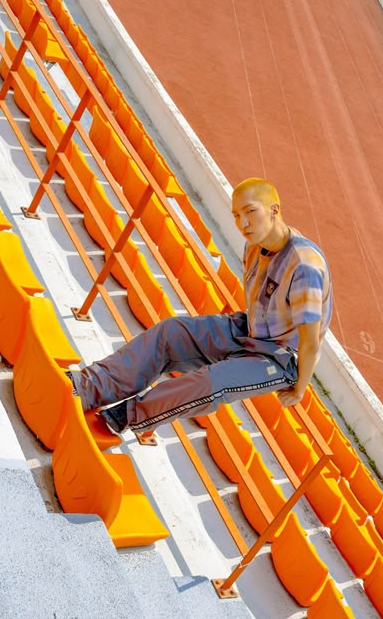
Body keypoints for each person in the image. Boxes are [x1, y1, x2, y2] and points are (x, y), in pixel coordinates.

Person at [67, 177, 332, 436]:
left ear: (275, 210)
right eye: (237, 215)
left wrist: (299, 390)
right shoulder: (254, 247)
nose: (243, 223)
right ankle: (88, 386)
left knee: (211, 382)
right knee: (172, 332)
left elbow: (310, 343)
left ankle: (126, 415)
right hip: (250, 328)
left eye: (250, 211)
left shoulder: (304, 266)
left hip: (280, 355)